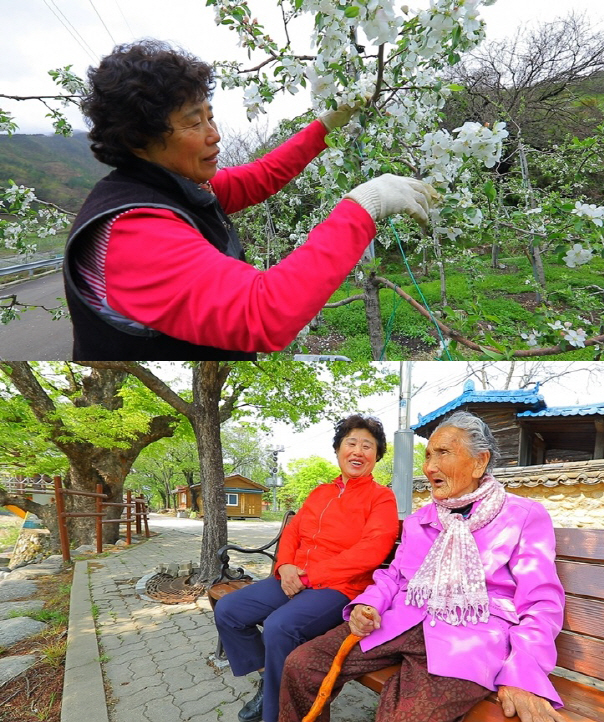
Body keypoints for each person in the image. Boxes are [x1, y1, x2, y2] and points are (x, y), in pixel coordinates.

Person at [63, 40, 439, 360]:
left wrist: (326, 127)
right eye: (195, 123)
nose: (214, 135)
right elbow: (264, 313)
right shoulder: (133, 232)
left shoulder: (172, 186)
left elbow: (261, 177)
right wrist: (364, 206)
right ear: (137, 139)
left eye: (210, 118)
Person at [279, 410, 566, 722]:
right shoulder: (422, 519)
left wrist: (521, 673)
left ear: (480, 462)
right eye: (429, 455)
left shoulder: (522, 516)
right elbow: (393, 576)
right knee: (302, 664)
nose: (430, 467)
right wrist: (369, 604)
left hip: (470, 639)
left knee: (402, 717)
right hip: (401, 620)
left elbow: (541, 604)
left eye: (443, 453)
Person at [214, 414, 399, 722]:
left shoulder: (381, 498)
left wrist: (311, 575)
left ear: (376, 456)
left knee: (280, 627)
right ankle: (269, 680)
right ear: (338, 450)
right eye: (350, 443)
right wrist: (285, 565)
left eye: (367, 446)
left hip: (339, 587)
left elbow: (372, 552)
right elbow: (293, 532)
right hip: (294, 577)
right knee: (229, 610)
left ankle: (275, 713)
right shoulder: (321, 492)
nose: (358, 451)